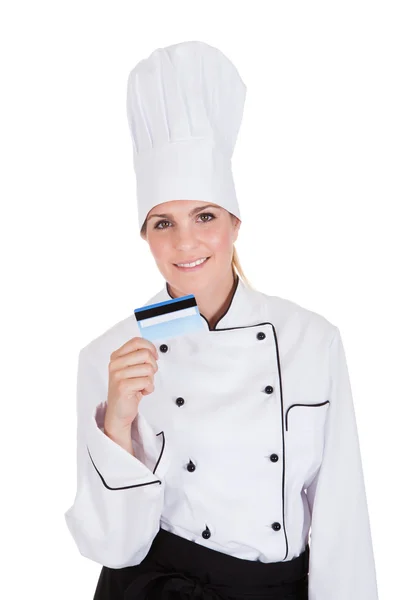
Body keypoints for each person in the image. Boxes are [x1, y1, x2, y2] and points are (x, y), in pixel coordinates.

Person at [64, 41, 379, 599]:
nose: (186, 243)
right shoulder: (108, 355)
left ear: (235, 223)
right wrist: (116, 425)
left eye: (204, 216)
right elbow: (115, 548)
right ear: (144, 235)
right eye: (163, 223)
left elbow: (341, 520)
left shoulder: (312, 341)